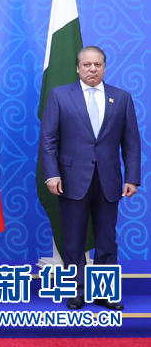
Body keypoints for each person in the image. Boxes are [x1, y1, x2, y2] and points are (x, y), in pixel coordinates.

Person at [40, 45, 141, 311]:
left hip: (109, 180)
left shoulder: (121, 98)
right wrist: (51, 174)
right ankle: (78, 291)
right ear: (77, 68)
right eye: (87, 65)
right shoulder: (60, 96)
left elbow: (131, 143)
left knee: (107, 240)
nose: (92, 69)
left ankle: (105, 293)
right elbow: (48, 140)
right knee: (74, 239)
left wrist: (132, 177)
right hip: (71, 179)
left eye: (97, 65)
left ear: (105, 67)